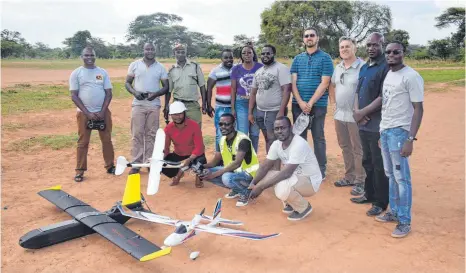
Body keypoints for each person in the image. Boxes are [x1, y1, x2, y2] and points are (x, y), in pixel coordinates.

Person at [375, 41, 424, 238]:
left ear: (403, 53)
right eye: (388, 52)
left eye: (396, 52)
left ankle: (404, 221)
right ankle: (393, 212)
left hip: (399, 133)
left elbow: (419, 109)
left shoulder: (411, 76)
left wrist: (410, 138)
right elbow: (387, 104)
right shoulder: (390, 73)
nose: (392, 55)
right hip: (386, 131)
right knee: (390, 175)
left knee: (402, 178)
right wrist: (381, 132)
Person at [248, 116, 322, 221]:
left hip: (310, 181)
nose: (279, 131)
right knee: (268, 176)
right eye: (276, 129)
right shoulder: (276, 144)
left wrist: (260, 187)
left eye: (283, 128)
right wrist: (254, 183)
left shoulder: (298, 144)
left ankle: (304, 207)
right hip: (296, 177)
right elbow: (265, 166)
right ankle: (291, 203)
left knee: (281, 186)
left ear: (290, 128)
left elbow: (286, 173)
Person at [350, 32, 390, 217]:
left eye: (375, 45)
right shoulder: (365, 67)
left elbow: (383, 96)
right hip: (363, 123)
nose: (371, 48)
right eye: (368, 45)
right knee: (367, 161)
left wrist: (362, 113)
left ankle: (380, 202)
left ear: (382, 45)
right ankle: (369, 194)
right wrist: (357, 113)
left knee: (378, 163)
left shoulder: (386, 67)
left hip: (377, 124)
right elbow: (358, 92)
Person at [290, 27, 334, 179]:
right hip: (298, 105)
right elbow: (293, 83)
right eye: (306, 36)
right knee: (299, 138)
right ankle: (301, 166)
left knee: (318, 137)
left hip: (318, 105)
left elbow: (325, 83)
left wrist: (310, 103)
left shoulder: (325, 58)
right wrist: (301, 102)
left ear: (317, 38)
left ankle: (320, 169)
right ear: (303, 39)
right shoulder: (297, 59)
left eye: (312, 35)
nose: (309, 38)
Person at [69, 46, 115, 182]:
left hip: (103, 112)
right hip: (84, 113)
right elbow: (74, 96)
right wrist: (87, 113)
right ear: (81, 57)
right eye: (86, 55)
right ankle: (79, 170)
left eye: (92, 55)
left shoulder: (102, 72)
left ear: (95, 56)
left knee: (106, 140)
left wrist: (101, 111)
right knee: (83, 142)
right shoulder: (76, 73)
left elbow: (108, 93)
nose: (89, 58)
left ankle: (110, 166)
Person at [329, 37, 366, 196]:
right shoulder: (338, 67)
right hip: (340, 115)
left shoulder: (363, 67)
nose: (344, 49)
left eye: (347, 47)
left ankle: (360, 181)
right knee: (345, 147)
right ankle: (349, 176)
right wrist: (333, 103)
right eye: (342, 47)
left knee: (358, 148)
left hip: (355, 116)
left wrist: (363, 111)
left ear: (355, 48)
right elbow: (332, 85)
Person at [125, 43, 169, 174]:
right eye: (147, 49)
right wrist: (135, 93)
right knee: (137, 133)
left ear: (155, 51)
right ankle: (137, 162)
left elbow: (166, 87)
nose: (149, 51)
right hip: (138, 104)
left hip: (153, 105)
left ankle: (149, 162)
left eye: (152, 49)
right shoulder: (135, 65)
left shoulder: (160, 67)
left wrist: (155, 94)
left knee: (151, 134)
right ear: (143, 50)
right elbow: (127, 83)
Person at [200, 113, 260, 207]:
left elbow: (237, 163)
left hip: (250, 174)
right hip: (234, 171)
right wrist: (201, 166)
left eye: (227, 124)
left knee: (226, 178)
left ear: (234, 124)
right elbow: (215, 161)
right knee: (205, 172)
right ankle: (236, 188)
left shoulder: (243, 140)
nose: (223, 127)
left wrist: (215, 174)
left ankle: (245, 192)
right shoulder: (222, 140)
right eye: (220, 124)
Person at [249, 44, 291, 154]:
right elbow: (253, 93)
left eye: (268, 53)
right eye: (263, 53)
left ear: (273, 54)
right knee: (268, 139)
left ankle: (274, 166)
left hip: (274, 111)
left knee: (273, 139)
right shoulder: (258, 71)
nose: (265, 55)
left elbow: (286, 90)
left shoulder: (281, 68)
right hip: (260, 112)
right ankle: (271, 162)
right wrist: (250, 112)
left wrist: (281, 111)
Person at [164, 43, 209, 128]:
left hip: (193, 105)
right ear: (174, 54)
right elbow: (169, 91)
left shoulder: (195, 66)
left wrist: (204, 103)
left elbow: (202, 86)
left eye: (183, 52)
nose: (180, 54)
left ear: (186, 53)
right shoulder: (171, 70)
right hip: (178, 104)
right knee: (179, 132)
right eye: (178, 52)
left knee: (196, 130)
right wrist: (166, 106)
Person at [162, 101, 206, 188]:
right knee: (163, 166)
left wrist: (189, 159)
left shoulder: (194, 125)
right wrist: (162, 160)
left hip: (194, 155)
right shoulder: (168, 129)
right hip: (179, 154)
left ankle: (194, 176)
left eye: (180, 114)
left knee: (200, 164)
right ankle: (179, 173)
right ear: (170, 115)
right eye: (174, 114)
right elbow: (166, 148)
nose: (177, 117)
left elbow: (199, 147)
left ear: (184, 113)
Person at [230, 44, 262, 152]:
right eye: (244, 53)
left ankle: (254, 159)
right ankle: (243, 159)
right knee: (243, 133)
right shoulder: (236, 69)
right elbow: (233, 89)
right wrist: (233, 108)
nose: (246, 55)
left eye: (249, 52)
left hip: (257, 104)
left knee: (254, 133)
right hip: (241, 103)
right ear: (241, 55)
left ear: (253, 54)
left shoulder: (260, 67)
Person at [207, 49, 235, 151]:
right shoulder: (215, 70)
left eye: (231, 57)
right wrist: (208, 105)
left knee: (233, 134)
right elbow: (209, 87)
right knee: (220, 134)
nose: (229, 59)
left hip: (234, 107)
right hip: (221, 108)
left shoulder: (237, 68)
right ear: (221, 59)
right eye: (226, 57)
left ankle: (231, 159)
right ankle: (219, 160)